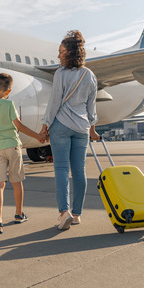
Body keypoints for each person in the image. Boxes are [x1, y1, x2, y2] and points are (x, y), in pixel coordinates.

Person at [40, 30, 100, 231]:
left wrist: (45, 124)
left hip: (62, 127)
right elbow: (92, 107)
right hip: (82, 128)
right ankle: (77, 214)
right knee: (79, 172)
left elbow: (54, 102)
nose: (58, 55)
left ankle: (63, 212)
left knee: (62, 170)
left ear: (70, 53)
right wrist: (92, 129)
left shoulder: (60, 74)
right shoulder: (90, 75)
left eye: (61, 51)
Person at [0, 73, 46, 234]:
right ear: (8, 91)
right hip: (12, 146)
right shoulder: (10, 105)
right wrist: (38, 136)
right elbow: (20, 126)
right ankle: (18, 214)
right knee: (16, 181)